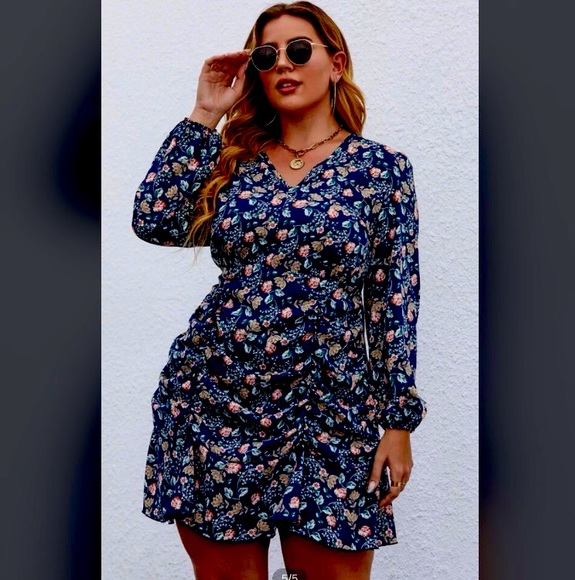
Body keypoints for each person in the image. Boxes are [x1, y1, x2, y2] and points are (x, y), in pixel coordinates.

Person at [132, 2, 427, 578]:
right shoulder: (234, 163)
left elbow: (394, 299)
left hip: (330, 408)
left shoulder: (381, 170)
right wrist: (205, 113)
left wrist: (398, 421)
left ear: (335, 64)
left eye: (298, 50)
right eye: (267, 56)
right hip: (219, 402)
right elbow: (155, 219)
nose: (283, 64)